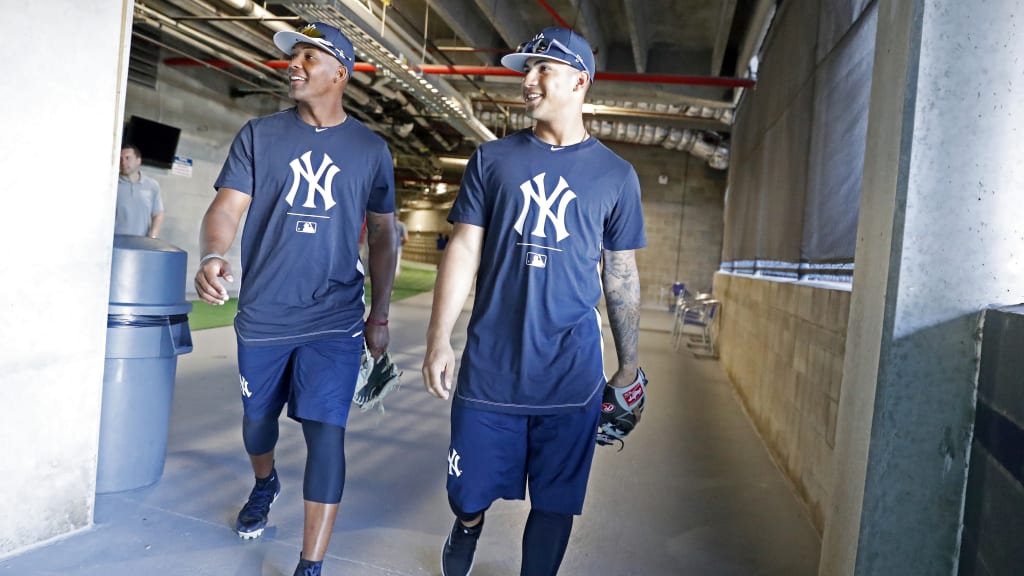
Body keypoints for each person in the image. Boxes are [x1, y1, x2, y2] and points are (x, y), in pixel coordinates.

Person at [421, 26, 645, 576]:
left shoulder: (616, 176)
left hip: (570, 372)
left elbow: (620, 273)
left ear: (579, 79)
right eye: (527, 69)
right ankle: (468, 524)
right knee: (466, 490)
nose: (528, 80)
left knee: (556, 501)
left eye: (543, 68)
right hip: (492, 364)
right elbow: (465, 248)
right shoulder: (492, 160)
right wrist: (438, 338)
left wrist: (630, 365)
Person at [193, 21, 397, 576]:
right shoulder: (260, 135)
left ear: (341, 73)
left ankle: (310, 564)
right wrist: (213, 255)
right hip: (264, 314)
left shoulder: (372, 150)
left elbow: (383, 234)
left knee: (325, 432)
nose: (295, 63)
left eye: (309, 56)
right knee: (258, 423)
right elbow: (227, 209)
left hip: (335, 318)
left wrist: (379, 312)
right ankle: (265, 481)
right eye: (293, 55)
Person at [114, 144, 164, 238]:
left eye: (128, 158)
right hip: (115, 243)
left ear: (138, 160)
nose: (123, 162)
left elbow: (158, 214)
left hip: (141, 244)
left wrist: (152, 237)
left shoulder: (152, 186)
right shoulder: (112, 185)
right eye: (121, 158)